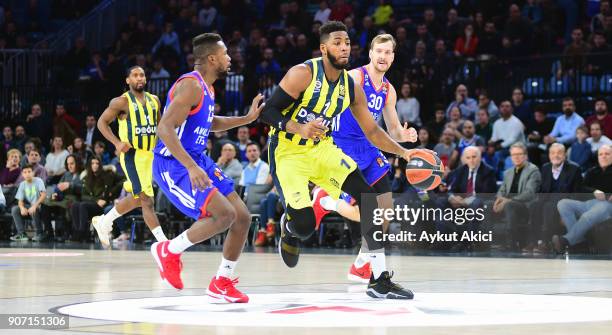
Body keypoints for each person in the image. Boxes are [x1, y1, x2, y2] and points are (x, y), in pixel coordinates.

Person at [260, 22, 424, 299]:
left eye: (347, 42)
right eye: (337, 42)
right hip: (288, 152)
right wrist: (299, 127)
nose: (344, 47)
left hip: (322, 149)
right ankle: (290, 226)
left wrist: (405, 152)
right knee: (305, 226)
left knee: (372, 202)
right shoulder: (303, 73)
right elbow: (267, 112)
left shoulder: (350, 85)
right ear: (324, 48)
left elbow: (373, 130)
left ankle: (378, 280)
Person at [151, 33, 265, 303]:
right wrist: (190, 167)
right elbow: (164, 128)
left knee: (242, 217)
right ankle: (169, 250)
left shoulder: (208, 88)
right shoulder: (191, 85)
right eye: (226, 54)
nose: (230, 58)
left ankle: (221, 282)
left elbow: (209, 123)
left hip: (197, 158)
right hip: (174, 163)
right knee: (224, 215)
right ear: (212, 58)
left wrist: (246, 119)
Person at [325, 33, 418, 283]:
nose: (383, 56)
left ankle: (361, 264)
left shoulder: (389, 90)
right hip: (342, 146)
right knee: (366, 211)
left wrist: (406, 135)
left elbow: (393, 128)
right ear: (370, 53)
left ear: (393, 57)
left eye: (388, 52)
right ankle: (327, 203)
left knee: (385, 212)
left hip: (368, 145)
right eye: (379, 51)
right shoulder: (355, 77)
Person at [93, 66, 168, 248]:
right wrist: (117, 143)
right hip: (132, 156)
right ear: (128, 80)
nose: (139, 78)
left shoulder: (154, 100)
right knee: (146, 201)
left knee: (137, 199)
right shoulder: (121, 102)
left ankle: (104, 221)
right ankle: (165, 245)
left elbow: (161, 126)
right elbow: (102, 123)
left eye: (142, 74)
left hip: (151, 155)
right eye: (135, 75)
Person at [554, 145, 612, 253]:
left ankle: (566, 240)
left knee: (590, 213)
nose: (603, 156)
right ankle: (579, 242)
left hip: (607, 205)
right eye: (601, 154)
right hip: (589, 203)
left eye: (607, 154)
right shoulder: (592, 171)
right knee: (563, 203)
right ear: (598, 157)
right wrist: (594, 191)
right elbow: (581, 188)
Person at [528, 143, 582, 253]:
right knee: (534, 205)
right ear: (549, 155)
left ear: (565, 155)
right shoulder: (545, 168)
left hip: (564, 202)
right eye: (552, 153)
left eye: (559, 153)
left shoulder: (574, 168)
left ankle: (545, 242)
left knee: (548, 207)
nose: (555, 155)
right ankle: (534, 241)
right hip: (548, 201)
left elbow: (576, 193)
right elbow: (542, 190)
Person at [493, 143, 541, 250]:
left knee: (510, 205)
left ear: (525, 155)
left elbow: (529, 193)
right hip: (508, 202)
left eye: (519, 154)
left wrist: (507, 201)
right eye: (513, 155)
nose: (516, 157)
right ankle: (485, 243)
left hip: (525, 205)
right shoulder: (508, 172)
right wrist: (498, 200)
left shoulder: (533, 170)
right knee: (487, 205)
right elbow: (502, 190)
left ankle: (511, 243)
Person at [72, 157, 123, 242]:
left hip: (103, 205)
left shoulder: (108, 175)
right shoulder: (86, 178)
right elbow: (83, 195)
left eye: (97, 163)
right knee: (75, 205)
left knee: (82, 205)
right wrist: (96, 200)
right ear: (90, 165)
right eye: (92, 163)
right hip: (93, 203)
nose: (95, 165)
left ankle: (82, 233)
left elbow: (123, 180)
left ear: (100, 165)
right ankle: (77, 231)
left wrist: (111, 192)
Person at [10, 164, 46, 242]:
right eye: (25, 172)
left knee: (34, 209)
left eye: (29, 171)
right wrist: (22, 208)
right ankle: (22, 234)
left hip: (40, 206)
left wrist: (35, 206)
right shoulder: (22, 184)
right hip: (29, 206)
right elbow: (20, 201)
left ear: (33, 172)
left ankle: (39, 233)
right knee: (15, 209)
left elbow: (43, 195)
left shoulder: (38, 180)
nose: (27, 174)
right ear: (22, 174)